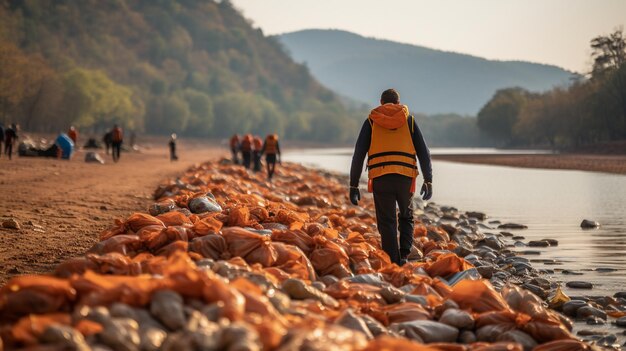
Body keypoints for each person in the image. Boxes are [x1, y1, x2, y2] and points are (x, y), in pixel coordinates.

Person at [349, 89, 432, 266]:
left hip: (381, 177)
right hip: (405, 177)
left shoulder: (372, 121)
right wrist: (428, 180)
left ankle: (393, 261)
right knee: (406, 215)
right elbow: (424, 152)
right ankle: (403, 255)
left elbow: (358, 154)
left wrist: (354, 185)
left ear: (381, 102)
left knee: (386, 221)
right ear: (398, 103)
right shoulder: (409, 121)